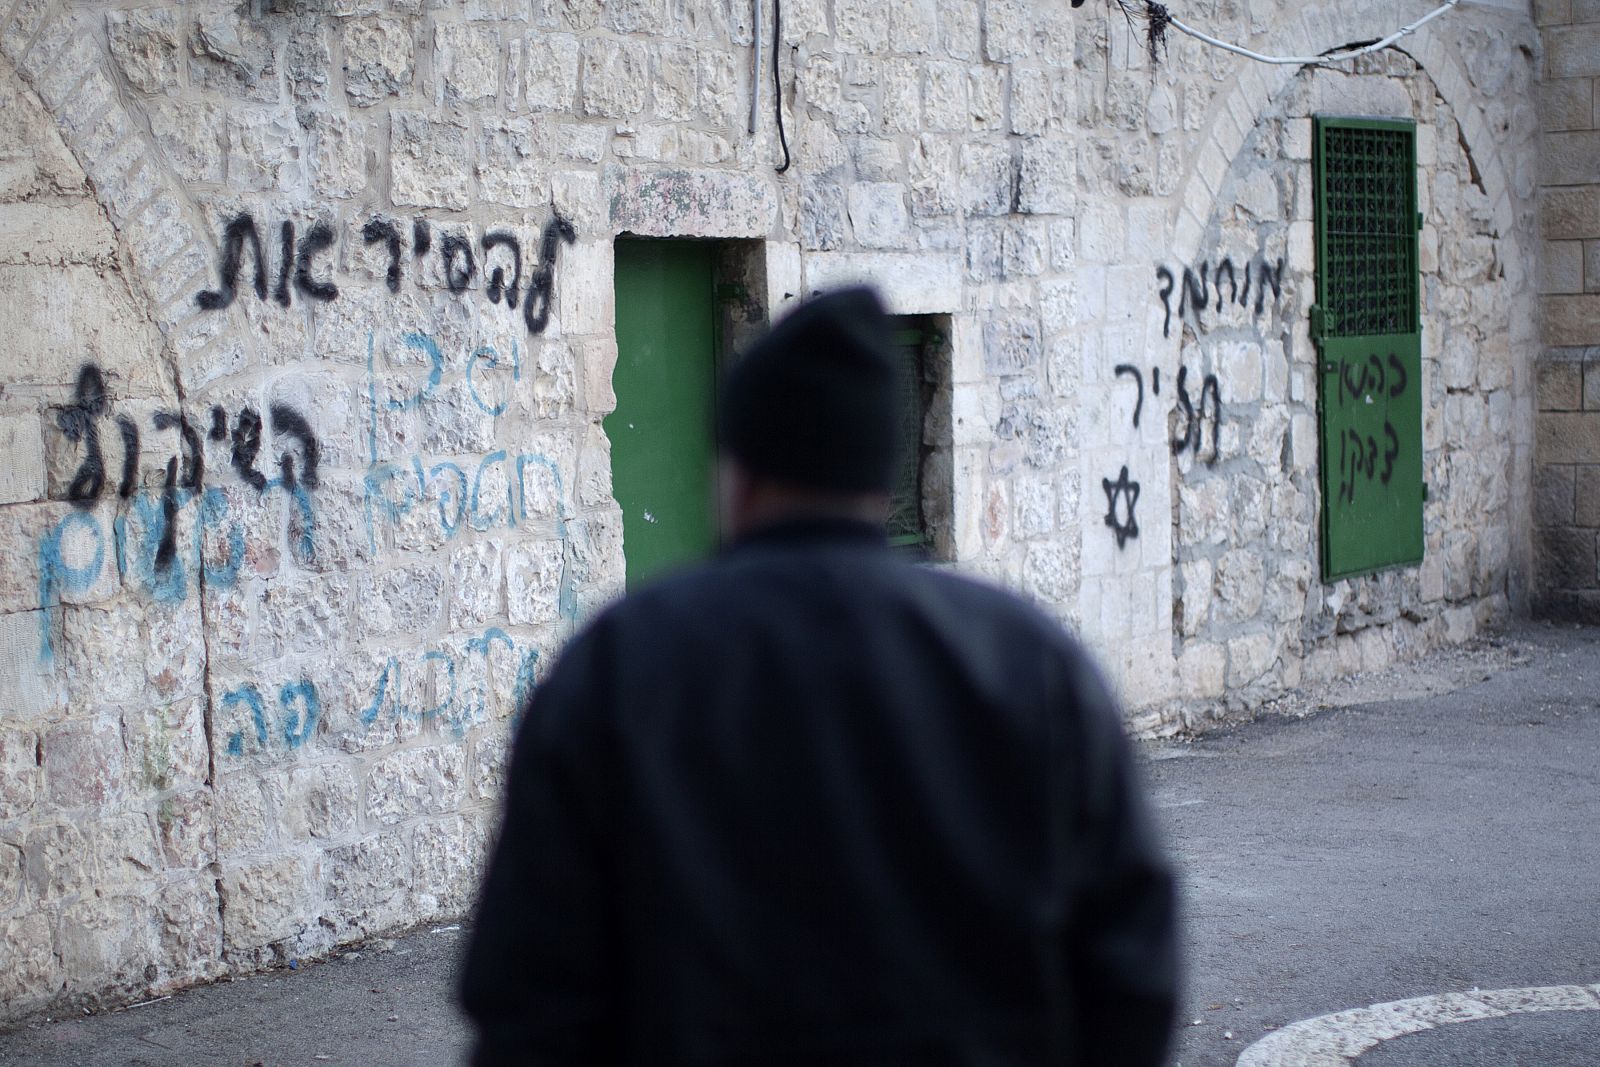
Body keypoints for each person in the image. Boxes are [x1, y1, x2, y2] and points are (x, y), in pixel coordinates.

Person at [459, 287, 1179, 1066]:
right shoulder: (1030, 664)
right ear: (879, 477)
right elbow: (1132, 973)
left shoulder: (616, 669)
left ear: (737, 470)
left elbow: (526, 1002)